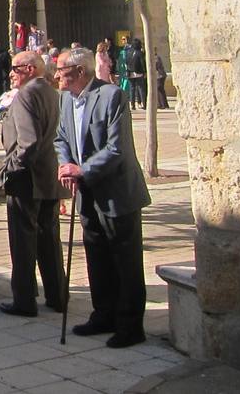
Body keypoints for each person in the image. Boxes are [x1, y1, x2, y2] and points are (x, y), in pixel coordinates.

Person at [54, 47, 151, 348]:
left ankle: (130, 325)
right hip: (87, 192)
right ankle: (103, 313)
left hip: (116, 192)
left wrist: (81, 169)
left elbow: (117, 148)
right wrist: (66, 165)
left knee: (125, 260)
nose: (56, 76)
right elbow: (61, 137)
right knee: (96, 256)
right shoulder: (65, 99)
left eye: (62, 71)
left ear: (80, 72)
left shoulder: (111, 96)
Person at [0, 51, 65, 318]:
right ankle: (57, 295)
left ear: (29, 69)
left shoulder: (26, 94)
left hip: (28, 179)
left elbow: (29, 142)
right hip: (47, 175)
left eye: (15, 68)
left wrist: (10, 170)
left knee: (23, 242)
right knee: (49, 240)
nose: (10, 73)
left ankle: (24, 299)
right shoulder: (50, 91)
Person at [124, 38, 148, 110]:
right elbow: (142, 63)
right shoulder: (139, 53)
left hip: (130, 72)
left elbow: (126, 61)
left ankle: (132, 104)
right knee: (141, 88)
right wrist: (145, 72)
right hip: (139, 72)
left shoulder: (128, 52)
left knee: (132, 89)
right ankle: (144, 103)